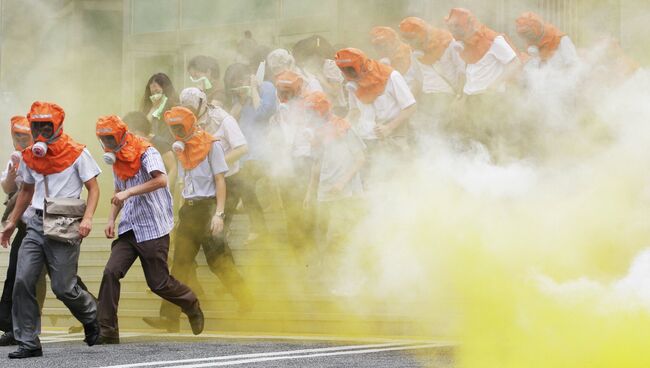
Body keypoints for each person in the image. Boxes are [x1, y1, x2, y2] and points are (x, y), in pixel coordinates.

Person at [0, 102, 101, 358]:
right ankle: (28, 342)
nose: (41, 131)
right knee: (23, 280)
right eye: (37, 126)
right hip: (34, 224)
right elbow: (26, 190)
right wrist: (12, 222)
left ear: (58, 126)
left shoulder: (78, 153)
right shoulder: (30, 156)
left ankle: (91, 315)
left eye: (47, 126)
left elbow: (94, 188)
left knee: (63, 287)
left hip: (64, 223)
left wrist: (88, 218)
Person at [95, 115, 204, 344]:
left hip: (153, 227)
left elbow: (161, 180)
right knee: (110, 272)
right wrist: (111, 219)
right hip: (130, 227)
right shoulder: (116, 159)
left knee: (159, 283)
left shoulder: (147, 152)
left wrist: (129, 192)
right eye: (103, 139)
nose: (107, 144)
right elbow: (118, 190)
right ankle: (107, 331)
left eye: (110, 138)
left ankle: (190, 303)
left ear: (121, 135)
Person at [143, 107, 248, 332]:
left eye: (180, 127)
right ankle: (169, 318)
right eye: (173, 128)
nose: (176, 131)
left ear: (191, 124)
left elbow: (220, 180)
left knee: (219, 262)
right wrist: (178, 213)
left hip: (208, 209)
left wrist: (219, 214)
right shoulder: (180, 149)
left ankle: (248, 302)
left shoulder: (212, 145)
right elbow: (184, 184)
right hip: (189, 211)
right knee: (180, 264)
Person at [303, 91, 365, 278]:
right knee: (322, 232)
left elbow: (361, 158)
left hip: (346, 192)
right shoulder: (318, 133)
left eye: (312, 112)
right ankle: (328, 273)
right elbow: (317, 164)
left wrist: (341, 182)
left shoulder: (343, 127)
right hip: (325, 191)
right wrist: (309, 193)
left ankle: (347, 273)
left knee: (340, 234)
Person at [334, 48, 416, 187]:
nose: (350, 75)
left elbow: (410, 106)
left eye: (351, 70)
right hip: (367, 139)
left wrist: (389, 128)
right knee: (372, 183)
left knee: (397, 181)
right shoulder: (351, 84)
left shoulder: (392, 76)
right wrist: (343, 124)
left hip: (392, 137)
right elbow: (354, 110)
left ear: (362, 66)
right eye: (345, 71)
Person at [0, 116, 46, 347]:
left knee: (62, 279)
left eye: (23, 135)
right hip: (24, 225)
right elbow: (8, 188)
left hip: (45, 222)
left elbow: (32, 189)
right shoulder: (15, 158)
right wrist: (11, 172)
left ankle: (93, 312)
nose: (19, 139)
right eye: (16, 135)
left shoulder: (42, 153)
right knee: (14, 274)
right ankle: (11, 326)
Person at [224, 63, 275, 243]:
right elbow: (228, 124)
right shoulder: (240, 99)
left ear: (250, 76)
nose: (238, 88)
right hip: (246, 155)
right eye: (234, 86)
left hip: (264, 152)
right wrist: (237, 106)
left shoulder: (266, 88)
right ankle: (223, 228)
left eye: (240, 82)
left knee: (243, 184)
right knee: (236, 188)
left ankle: (257, 228)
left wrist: (253, 89)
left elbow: (262, 113)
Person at [270, 70, 317, 257]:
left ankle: (310, 244)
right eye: (280, 91)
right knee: (289, 204)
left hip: (303, 158)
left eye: (287, 91)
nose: (283, 95)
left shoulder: (308, 105)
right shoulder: (280, 106)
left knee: (305, 204)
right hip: (285, 160)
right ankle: (295, 245)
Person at [399, 17, 465, 137]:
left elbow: (462, 71)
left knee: (452, 134)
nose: (409, 43)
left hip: (448, 97)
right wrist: (408, 103)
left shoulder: (449, 42)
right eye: (406, 39)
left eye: (411, 38)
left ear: (421, 33)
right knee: (430, 136)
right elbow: (418, 80)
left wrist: (459, 98)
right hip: (427, 100)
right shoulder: (413, 51)